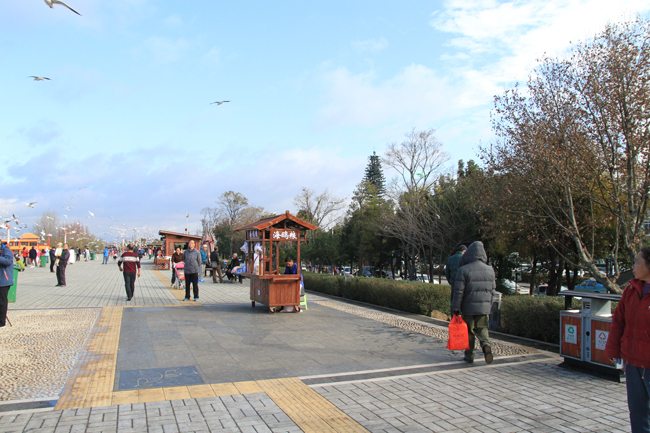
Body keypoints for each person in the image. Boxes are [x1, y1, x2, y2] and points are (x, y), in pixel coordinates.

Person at [605, 247, 650, 433]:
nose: (633, 266)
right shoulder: (631, 290)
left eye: (637, 262)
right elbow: (618, 322)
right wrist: (614, 351)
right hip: (632, 362)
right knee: (637, 411)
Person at [451, 241, 496, 364]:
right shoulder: (490, 270)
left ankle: (469, 356)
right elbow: (492, 290)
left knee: (469, 332)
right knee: (482, 328)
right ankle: (486, 345)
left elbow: (458, 292)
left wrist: (455, 308)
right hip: (484, 307)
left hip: (468, 307)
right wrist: (489, 306)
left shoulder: (463, 270)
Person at [0, 241, 14, 328]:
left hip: (4, 281)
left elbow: (8, 261)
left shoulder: (7, 251)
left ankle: (2, 321)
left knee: (2, 301)